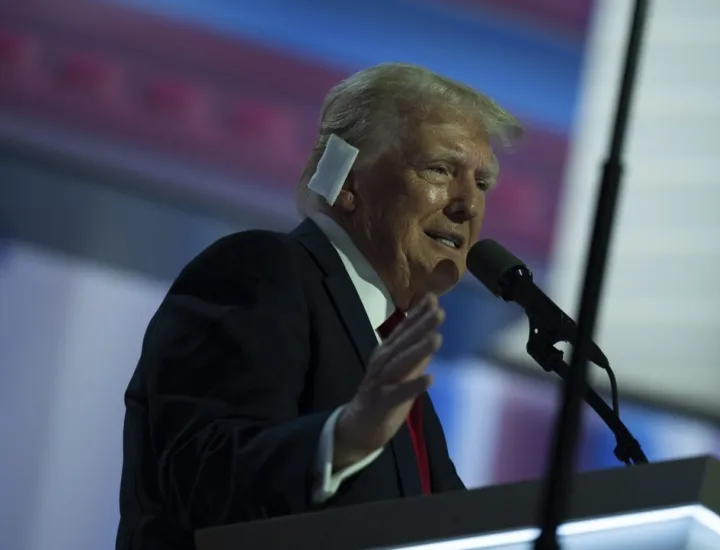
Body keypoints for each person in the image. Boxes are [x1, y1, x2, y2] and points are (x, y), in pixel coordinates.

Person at [115, 62, 522, 549]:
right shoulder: (263, 270)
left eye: (482, 184)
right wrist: (343, 439)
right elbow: (196, 477)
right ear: (346, 179)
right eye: (439, 169)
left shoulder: (390, 358)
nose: (469, 205)